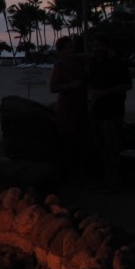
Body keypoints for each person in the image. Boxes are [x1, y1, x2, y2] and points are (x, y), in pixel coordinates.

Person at [87, 33, 132, 192]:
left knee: (112, 147)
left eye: (100, 45)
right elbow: (91, 85)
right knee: (101, 146)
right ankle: (106, 178)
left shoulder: (117, 64)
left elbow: (127, 85)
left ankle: (115, 180)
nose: (97, 49)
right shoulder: (93, 64)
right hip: (97, 111)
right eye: (95, 45)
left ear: (106, 47)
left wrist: (104, 92)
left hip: (113, 111)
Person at [49, 35, 89, 183]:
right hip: (66, 109)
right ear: (60, 51)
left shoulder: (79, 61)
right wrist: (69, 86)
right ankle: (70, 175)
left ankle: (80, 173)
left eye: (72, 47)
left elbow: (91, 56)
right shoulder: (59, 66)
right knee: (68, 144)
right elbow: (52, 88)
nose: (70, 50)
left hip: (82, 107)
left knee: (81, 142)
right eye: (66, 48)